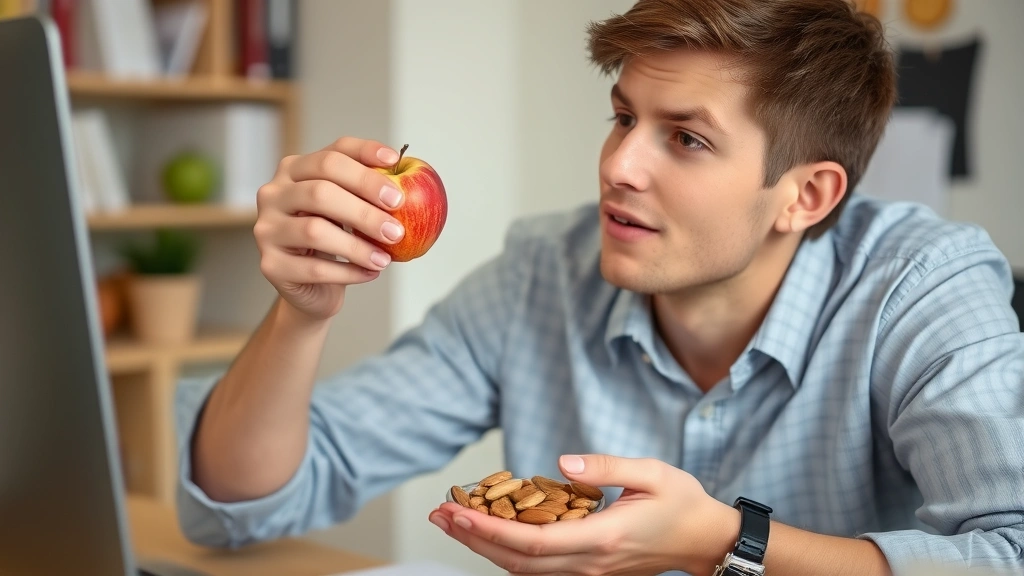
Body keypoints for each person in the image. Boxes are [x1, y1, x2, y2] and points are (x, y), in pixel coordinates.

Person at [175, 1, 1024, 575]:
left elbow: (1008, 551)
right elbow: (237, 506)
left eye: (685, 139)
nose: (618, 167)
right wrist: (302, 310)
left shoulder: (924, 286)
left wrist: (725, 543)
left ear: (806, 195)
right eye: (623, 118)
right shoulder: (539, 271)